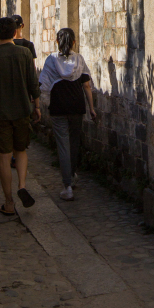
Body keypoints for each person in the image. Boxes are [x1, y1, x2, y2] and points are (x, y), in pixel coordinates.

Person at [0, 17, 41, 215]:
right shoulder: (24, 53)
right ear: (15, 33)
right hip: (22, 110)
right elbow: (33, 83)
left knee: (5, 157)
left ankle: (9, 203)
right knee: (21, 151)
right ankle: (22, 185)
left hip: (1, 112)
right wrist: (36, 107)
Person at [39, 27, 96, 201]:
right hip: (77, 107)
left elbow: (43, 86)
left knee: (63, 146)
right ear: (73, 42)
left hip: (58, 108)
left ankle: (67, 186)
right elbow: (86, 85)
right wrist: (92, 108)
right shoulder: (79, 60)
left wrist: (45, 105)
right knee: (74, 143)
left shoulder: (51, 60)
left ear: (57, 42)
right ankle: (72, 175)